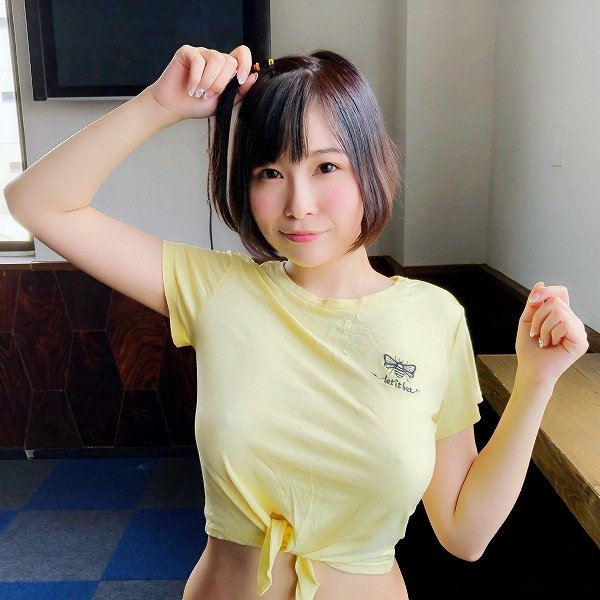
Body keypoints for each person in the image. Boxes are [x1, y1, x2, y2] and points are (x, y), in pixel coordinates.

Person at [4, 44, 588, 600]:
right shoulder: (217, 290)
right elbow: (37, 203)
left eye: (326, 165)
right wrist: (158, 105)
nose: (298, 204)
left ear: (371, 168)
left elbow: (465, 533)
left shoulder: (434, 317)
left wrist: (536, 381)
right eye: (270, 172)